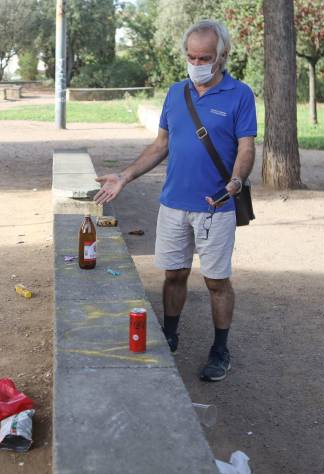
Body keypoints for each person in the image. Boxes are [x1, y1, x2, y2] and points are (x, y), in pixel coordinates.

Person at [93, 19, 256, 382]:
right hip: (173, 205)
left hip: (216, 207)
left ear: (222, 55)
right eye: (191, 56)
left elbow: (246, 147)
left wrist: (236, 180)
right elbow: (161, 145)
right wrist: (125, 175)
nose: (197, 63)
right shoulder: (176, 93)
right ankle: (170, 333)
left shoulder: (240, 95)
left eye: (205, 57)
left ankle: (220, 348)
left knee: (217, 282)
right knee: (174, 275)